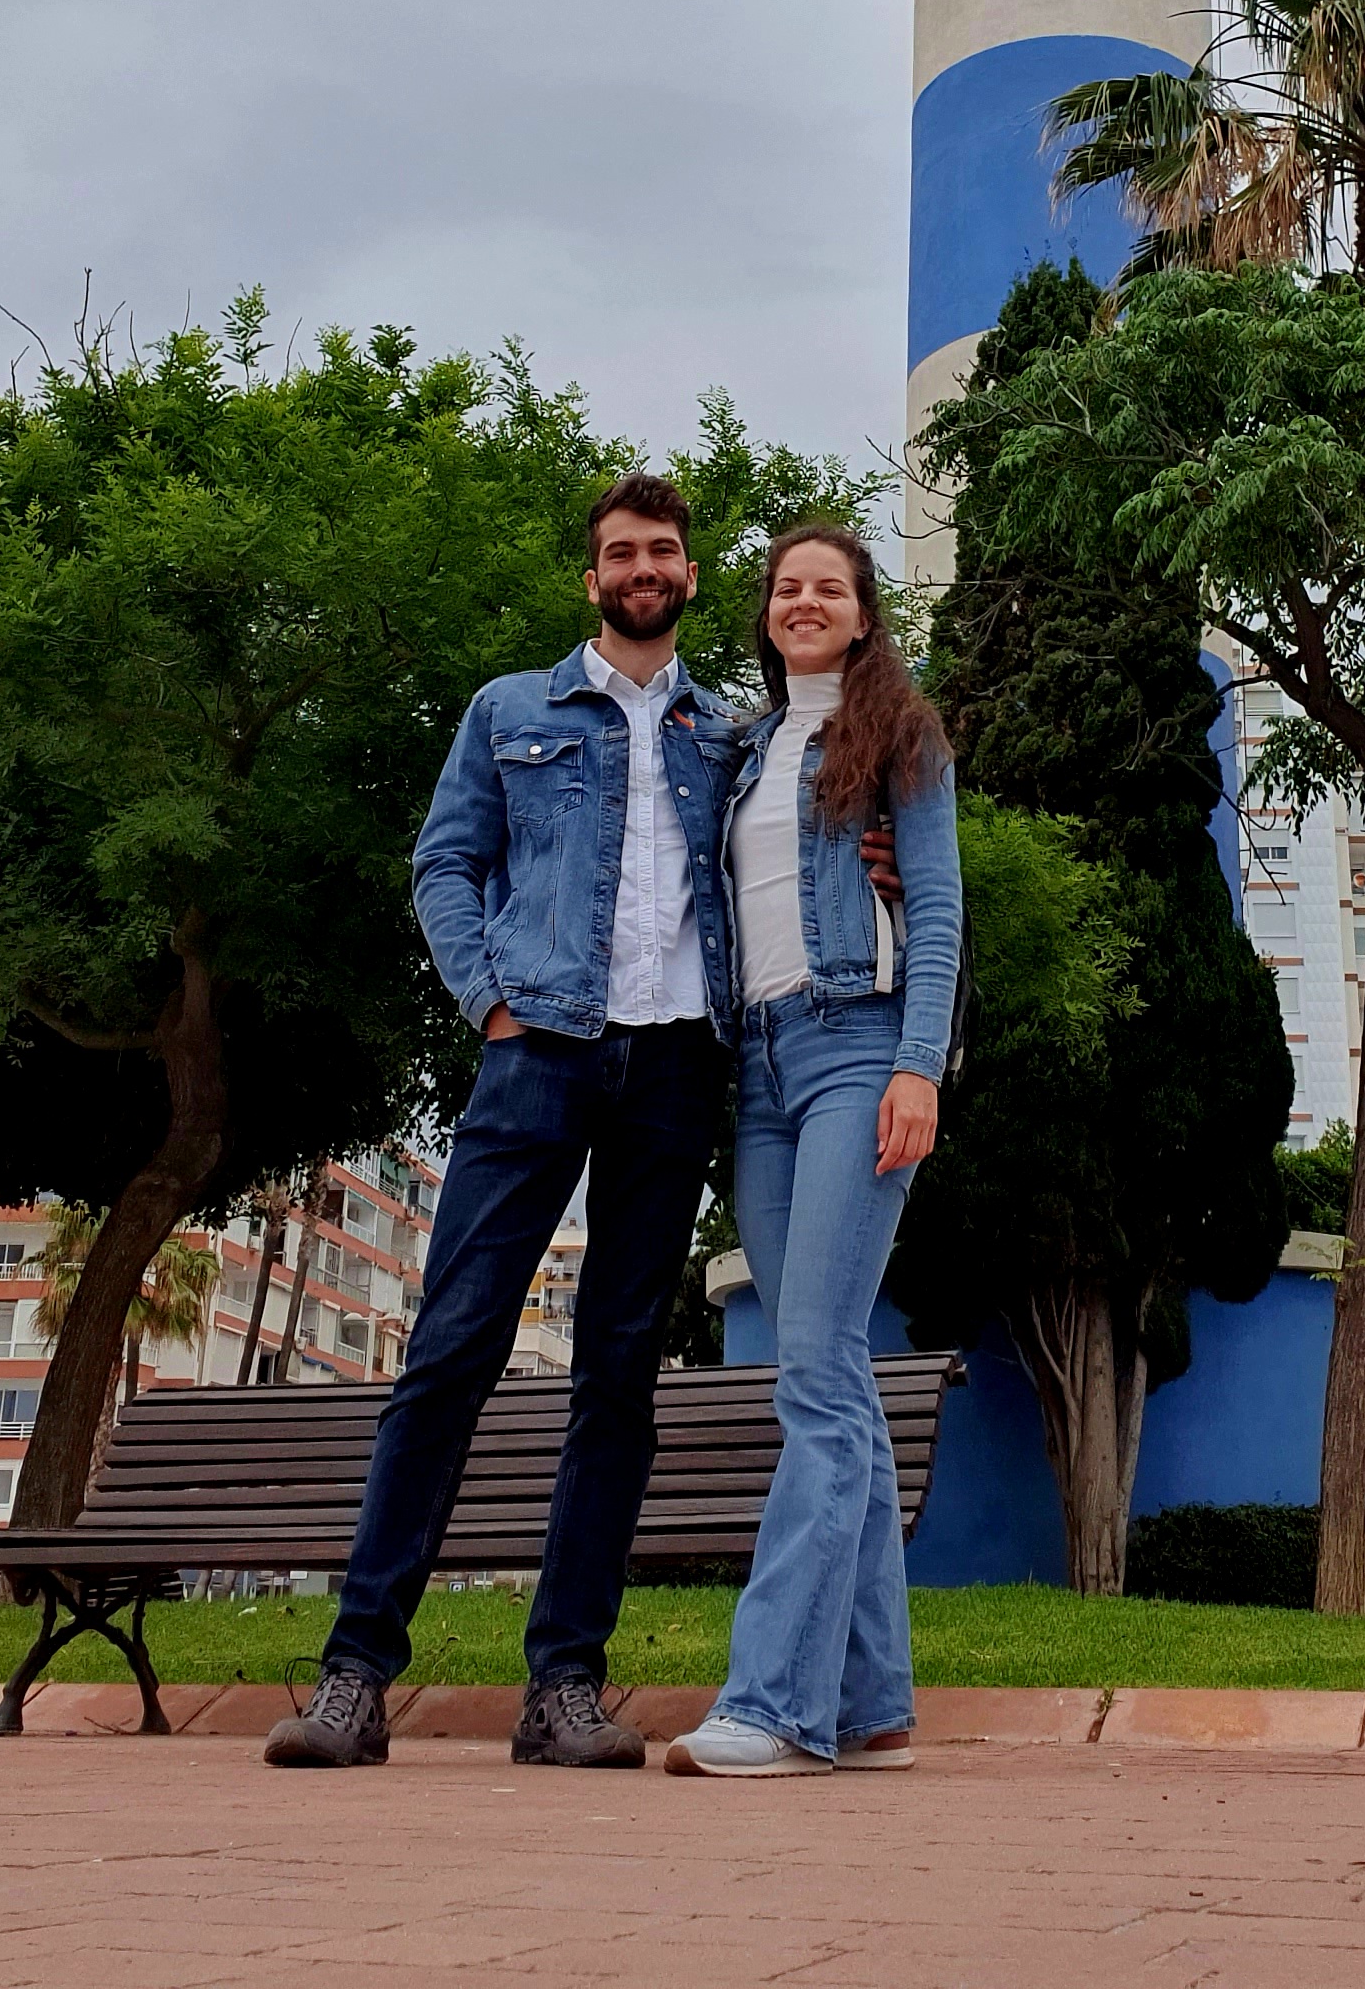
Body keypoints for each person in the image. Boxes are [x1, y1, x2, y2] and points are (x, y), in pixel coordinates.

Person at [265, 471, 747, 1772]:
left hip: (677, 1065)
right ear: (591, 579)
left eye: (663, 550)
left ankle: (565, 1690)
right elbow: (445, 862)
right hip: (539, 1054)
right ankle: (356, 1675)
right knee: (452, 1351)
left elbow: (794, 861)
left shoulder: (728, 735)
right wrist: (491, 1001)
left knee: (620, 1378)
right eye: (619, 552)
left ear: (691, 576)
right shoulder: (508, 711)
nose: (643, 567)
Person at [666, 522, 962, 1777]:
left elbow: (939, 907)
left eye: (828, 586)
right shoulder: (743, 751)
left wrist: (920, 1065)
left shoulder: (900, 733)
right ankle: (876, 1703)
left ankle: (775, 1703)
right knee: (823, 1373)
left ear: (862, 610)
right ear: (767, 611)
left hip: (859, 1048)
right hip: (763, 1069)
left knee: (821, 1376)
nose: (804, 600)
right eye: (787, 586)